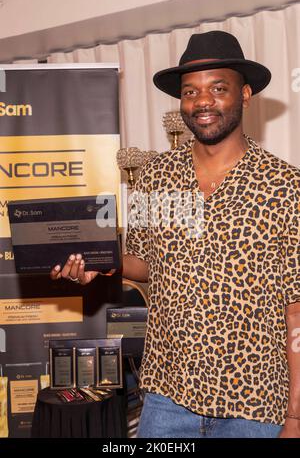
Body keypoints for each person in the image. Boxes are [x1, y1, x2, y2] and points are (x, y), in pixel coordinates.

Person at [51, 31, 300, 438]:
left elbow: (296, 308)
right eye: (190, 91)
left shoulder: (286, 186)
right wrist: (99, 265)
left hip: (255, 405)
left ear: (246, 95)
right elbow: (144, 262)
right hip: (168, 397)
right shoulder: (155, 176)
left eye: (218, 88)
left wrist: (296, 417)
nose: (202, 101)